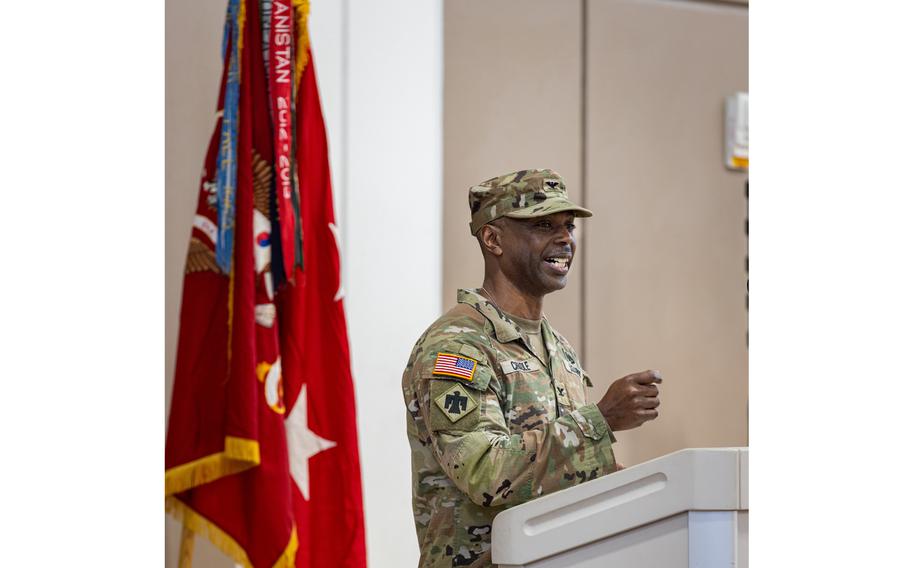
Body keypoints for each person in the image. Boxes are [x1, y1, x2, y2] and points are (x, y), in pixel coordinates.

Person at [401, 168, 662, 567]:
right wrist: (601, 420)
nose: (565, 240)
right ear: (493, 239)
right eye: (543, 225)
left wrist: (644, 489)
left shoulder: (557, 347)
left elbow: (560, 473)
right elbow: (484, 474)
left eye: (568, 226)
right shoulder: (458, 346)